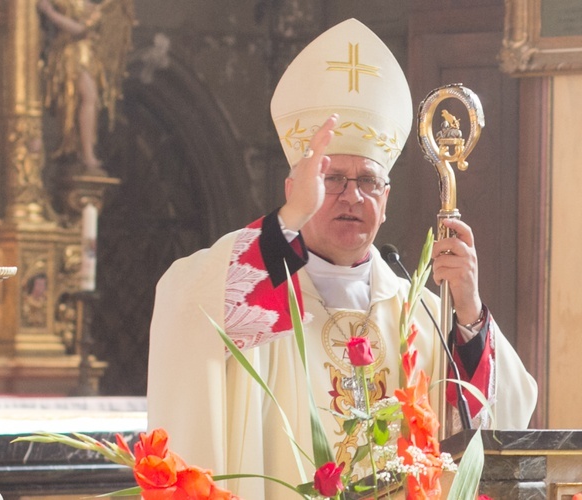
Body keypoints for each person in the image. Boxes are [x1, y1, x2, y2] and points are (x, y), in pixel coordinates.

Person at [147, 19, 537, 499]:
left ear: (387, 199)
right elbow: (185, 309)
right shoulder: (259, 292)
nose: (352, 196)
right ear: (295, 190)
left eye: (368, 181)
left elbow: (502, 418)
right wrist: (288, 220)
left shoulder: (414, 310)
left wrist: (470, 309)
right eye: (332, 180)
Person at [37, 0, 133, 173]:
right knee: (87, 98)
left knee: (89, 100)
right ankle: (85, 154)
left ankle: (85, 152)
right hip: (72, 55)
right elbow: (81, 30)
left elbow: (88, 29)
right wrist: (51, 13)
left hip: (86, 55)